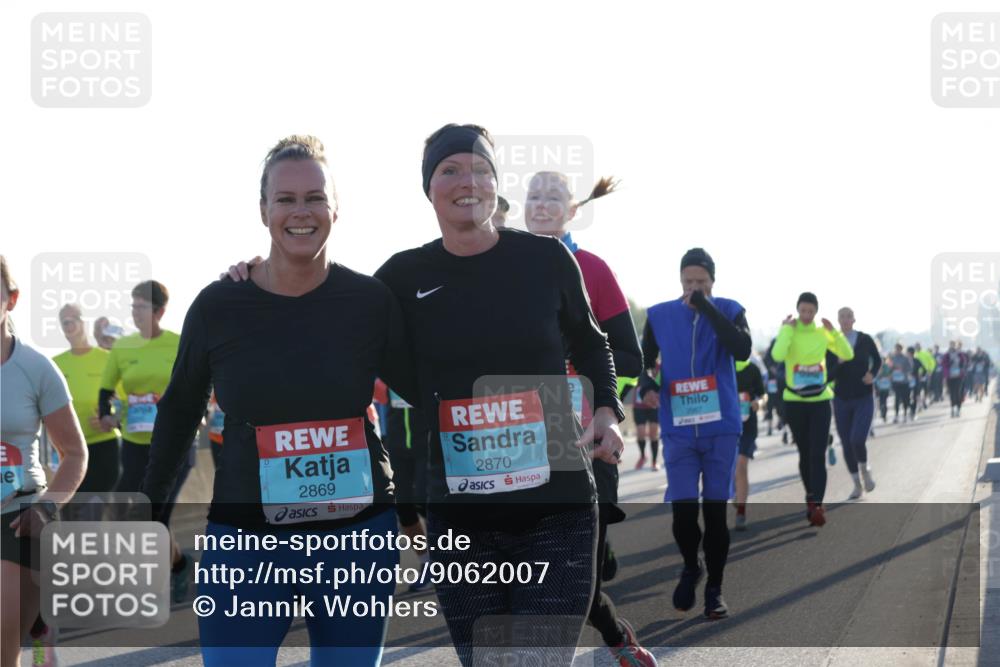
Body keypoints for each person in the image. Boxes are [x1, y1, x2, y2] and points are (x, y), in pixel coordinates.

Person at [149, 135, 419, 666]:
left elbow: (428, 392)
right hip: (246, 541)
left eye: (315, 197)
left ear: (335, 209)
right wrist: (149, 513)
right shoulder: (219, 304)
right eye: (286, 199)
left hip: (356, 537)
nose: (302, 211)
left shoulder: (369, 301)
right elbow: (181, 408)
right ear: (263, 210)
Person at [374, 124, 625, 666]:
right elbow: (336, 314)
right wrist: (252, 276)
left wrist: (607, 410)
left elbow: (591, 341)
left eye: (482, 169)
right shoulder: (400, 276)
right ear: (429, 188)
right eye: (451, 170)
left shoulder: (547, 259)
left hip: (555, 507)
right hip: (459, 517)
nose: (470, 181)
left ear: (496, 183)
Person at [521, 168, 651, 665]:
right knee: (546, 579)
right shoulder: (498, 271)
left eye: (554, 195)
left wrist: (590, 397)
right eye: (534, 194)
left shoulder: (592, 269)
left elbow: (630, 359)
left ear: (573, 210)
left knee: (576, 579)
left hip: (586, 444)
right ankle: (612, 630)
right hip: (520, 444)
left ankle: (609, 635)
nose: (542, 202)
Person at [640, 247, 752, 619]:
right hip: (678, 429)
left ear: (713, 282)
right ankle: (692, 565)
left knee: (715, 513)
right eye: (688, 282)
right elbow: (642, 363)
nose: (694, 288)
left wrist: (706, 307)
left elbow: (742, 350)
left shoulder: (731, 309)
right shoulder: (659, 316)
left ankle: (715, 589)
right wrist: (646, 387)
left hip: (720, 428)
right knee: (684, 513)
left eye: (701, 282)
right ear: (680, 281)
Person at [1, 256, 88, 667]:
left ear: (11, 299)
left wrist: (48, 504)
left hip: (17, 516)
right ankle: (38, 627)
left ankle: (33, 627)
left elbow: (74, 453)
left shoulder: (36, 369)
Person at [97, 280, 194, 599]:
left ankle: (160, 575)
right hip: (136, 446)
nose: (134, 312)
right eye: (133, 306)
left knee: (153, 516)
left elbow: (196, 388)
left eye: (141, 306)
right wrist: (107, 415)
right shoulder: (124, 348)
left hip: (175, 446)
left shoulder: (179, 343)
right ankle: (178, 565)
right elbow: (106, 391)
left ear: (159, 311)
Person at [769, 292, 854, 527]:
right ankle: (810, 497)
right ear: (798, 310)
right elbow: (777, 355)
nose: (806, 315)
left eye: (810, 311)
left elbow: (847, 354)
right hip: (794, 402)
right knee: (805, 453)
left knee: (817, 454)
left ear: (816, 312)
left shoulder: (821, 332)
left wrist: (834, 332)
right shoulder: (790, 331)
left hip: (819, 401)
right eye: (803, 310)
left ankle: (817, 504)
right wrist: (785, 329)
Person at [53, 304, 123, 497]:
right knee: (71, 519)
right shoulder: (54, 365)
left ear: (84, 322)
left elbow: (126, 401)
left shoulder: (108, 359)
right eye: (63, 322)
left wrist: (112, 418)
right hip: (69, 452)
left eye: (72, 320)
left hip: (104, 447)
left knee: (93, 514)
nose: (68, 326)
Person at [830, 307, 879, 500]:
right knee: (846, 444)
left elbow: (877, 360)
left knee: (857, 439)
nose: (845, 319)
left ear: (854, 319)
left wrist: (872, 374)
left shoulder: (865, 339)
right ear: (838, 320)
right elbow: (827, 372)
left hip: (863, 396)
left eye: (849, 315)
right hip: (841, 397)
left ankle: (865, 470)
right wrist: (839, 363)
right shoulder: (832, 342)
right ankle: (856, 484)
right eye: (842, 316)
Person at [733, 358, 763, 530]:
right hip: (725, 426)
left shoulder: (752, 369)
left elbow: (762, 393)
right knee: (731, 468)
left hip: (747, 426)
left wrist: (759, 402)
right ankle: (735, 492)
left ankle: (741, 512)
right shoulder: (720, 365)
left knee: (741, 464)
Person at [940, 341, 968, 417]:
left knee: (958, 393)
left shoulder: (960, 354)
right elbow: (943, 364)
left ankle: (958, 409)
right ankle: (952, 409)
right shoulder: (946, 355)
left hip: (959, 376)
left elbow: (964, 363)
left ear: (956, 345)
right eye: (951, 345)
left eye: (954, 345)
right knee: (952, 394)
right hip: (950, 377)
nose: (953, 346)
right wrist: (949, 364)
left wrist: (962, 369)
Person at [888, 344, 912, 424]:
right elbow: (889, 368)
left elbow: (910, 368)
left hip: (904, 381)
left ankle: (905, 415)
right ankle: (896, 416)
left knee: (905, 399)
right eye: (896, 349)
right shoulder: (892, 358)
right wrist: (892, 368)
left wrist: (903, 369)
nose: (897, 350)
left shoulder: (905, 358)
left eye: (899, 349)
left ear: (901, 349)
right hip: (896, 381)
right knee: (897, 399)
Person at [875, 356, 893, 423]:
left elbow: (890, 376)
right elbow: (874, 376)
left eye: (882, 360)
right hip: (878, 387)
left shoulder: (887, 367)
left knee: (884, 401)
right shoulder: (876, 366)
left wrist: (885, 377)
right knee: (879, 401)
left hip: (885, 387)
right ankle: (881, 411)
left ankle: (884, 415)